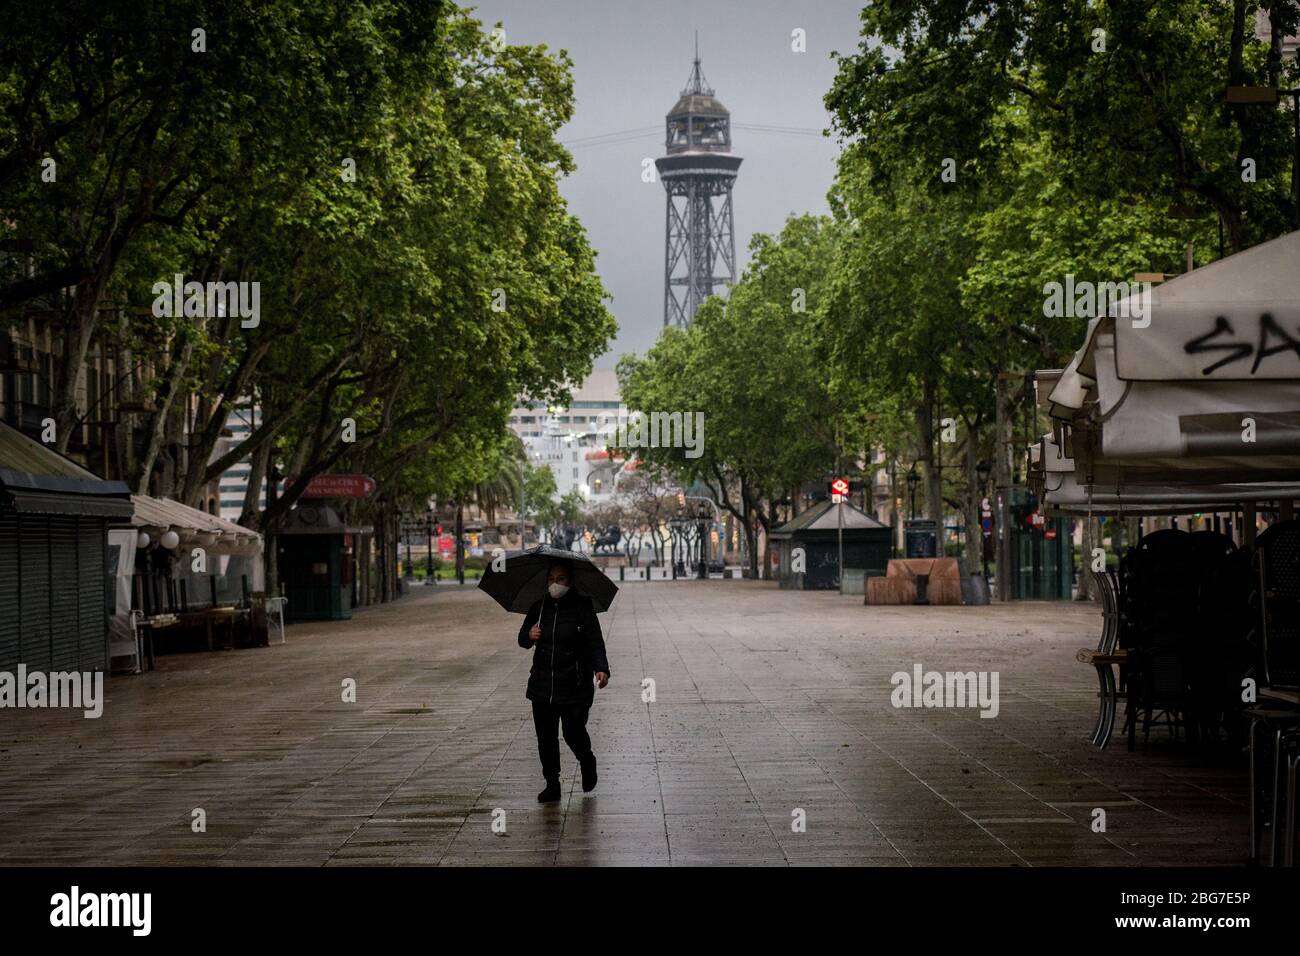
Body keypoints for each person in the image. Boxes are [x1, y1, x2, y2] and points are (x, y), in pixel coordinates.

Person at [518, 560, 610, 803]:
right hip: (542, 685)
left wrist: (601, 669)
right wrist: (530, 634)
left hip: (575, 684)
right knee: (545, 738)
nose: (554, 584)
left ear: (570, 581)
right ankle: (552, 783)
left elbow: (594, 642)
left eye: (560, 579)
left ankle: (586, 759)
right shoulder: (539, 607)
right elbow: (522, 640)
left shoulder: (582, 607)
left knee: (572, 731)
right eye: (550, 579)